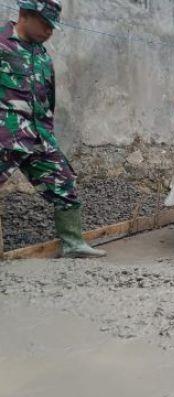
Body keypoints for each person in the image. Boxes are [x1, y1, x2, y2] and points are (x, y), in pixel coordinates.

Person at [0, 0, 105, 258]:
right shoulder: (2, 45)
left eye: (52, 26)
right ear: (25, 14)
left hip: (39, 137)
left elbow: (48, 99)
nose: (49, 31)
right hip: (6, 135)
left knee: (64, 182)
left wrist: (48, 133)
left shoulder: (43, 56)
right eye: (45, 23)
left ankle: (73, 243)